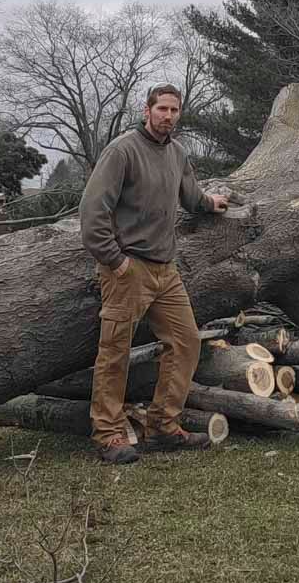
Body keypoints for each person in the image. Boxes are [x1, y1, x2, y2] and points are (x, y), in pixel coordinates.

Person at [79, 82, 229, 464]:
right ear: (147, 110)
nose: (168, 116)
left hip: (166, 271)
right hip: (128, 268)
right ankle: (108, 434)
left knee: (186, 342)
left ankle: (163, 427)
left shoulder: (177, 153)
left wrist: (212, 202)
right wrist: (116, 261)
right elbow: (92, 213)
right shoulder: (123, 151)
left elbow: (190, 196)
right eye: (161, 108)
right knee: (115, 352)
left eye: (174, 110)